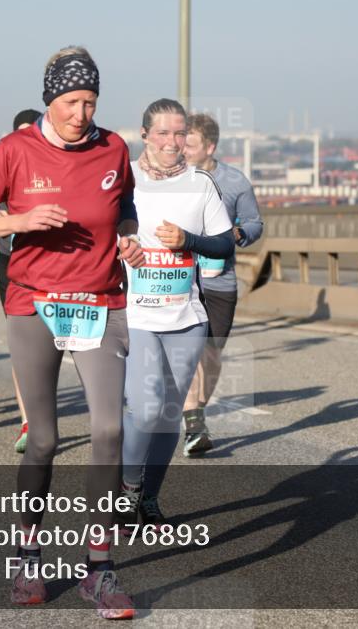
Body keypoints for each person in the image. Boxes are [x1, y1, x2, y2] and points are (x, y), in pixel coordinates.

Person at [0, 46, 143, 619]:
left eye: (89, 101)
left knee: (109, 429)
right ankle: (28, 555)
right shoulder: (14, 150)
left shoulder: (113, 147)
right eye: (69, 102)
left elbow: (124, 203)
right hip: (34, 303)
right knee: (45, 439)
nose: (81, 113)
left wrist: (129, 235)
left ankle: (100, 569)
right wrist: (18, 220)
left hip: (101, 301)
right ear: (49, 100)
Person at [120, 99, 234, 527]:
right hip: (135, 314)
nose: (172, 142)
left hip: (186, 316)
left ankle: (149, 498)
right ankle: (128, 490)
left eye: (180, 133)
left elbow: (223, 243)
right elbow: (98, 228)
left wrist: (188, 238)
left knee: (169, 412)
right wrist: (121, 247)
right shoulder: (124, 179)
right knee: (146, 409)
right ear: (145, 134)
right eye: (163, 133)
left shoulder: (200, 183)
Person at [179, 112, 264, 456]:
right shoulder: (173, 180)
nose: (182, 149)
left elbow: (255, 223)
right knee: (189, 352)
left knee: (212, 353)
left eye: (190, 144)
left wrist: (239, 233)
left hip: (220, 279)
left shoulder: (235, 182)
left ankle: (196, 411)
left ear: (210, 147)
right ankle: (194, 421)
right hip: (182, 279)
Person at [0, 109, 40, 452]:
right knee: (22, 343)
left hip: (51, 266)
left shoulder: (53, 166)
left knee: (57, 343)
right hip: (9, 262)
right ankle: (29, 421)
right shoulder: (4, 165)